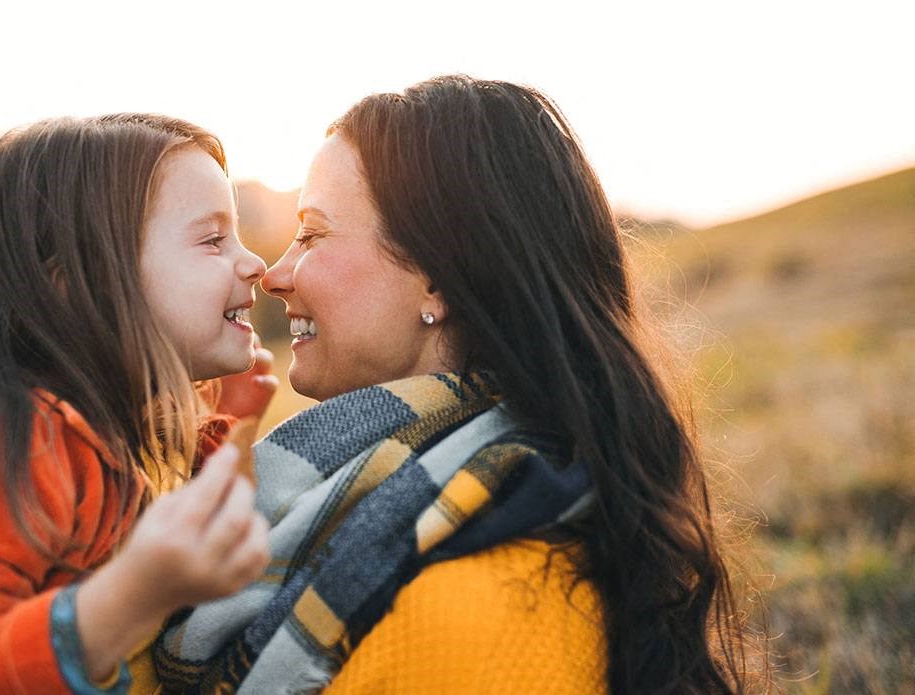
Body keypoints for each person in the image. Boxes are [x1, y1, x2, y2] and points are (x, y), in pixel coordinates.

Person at [155, 76, 756, 694]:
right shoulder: (416, 511)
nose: (274, 275)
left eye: (311, 233)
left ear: (435, 279)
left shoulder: (469, 620)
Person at [0, 114, 276, 694]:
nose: (254, 263)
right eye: (212, 240)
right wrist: (130, 597)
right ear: (70, 284)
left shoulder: (106, 441)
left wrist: (211, 438)